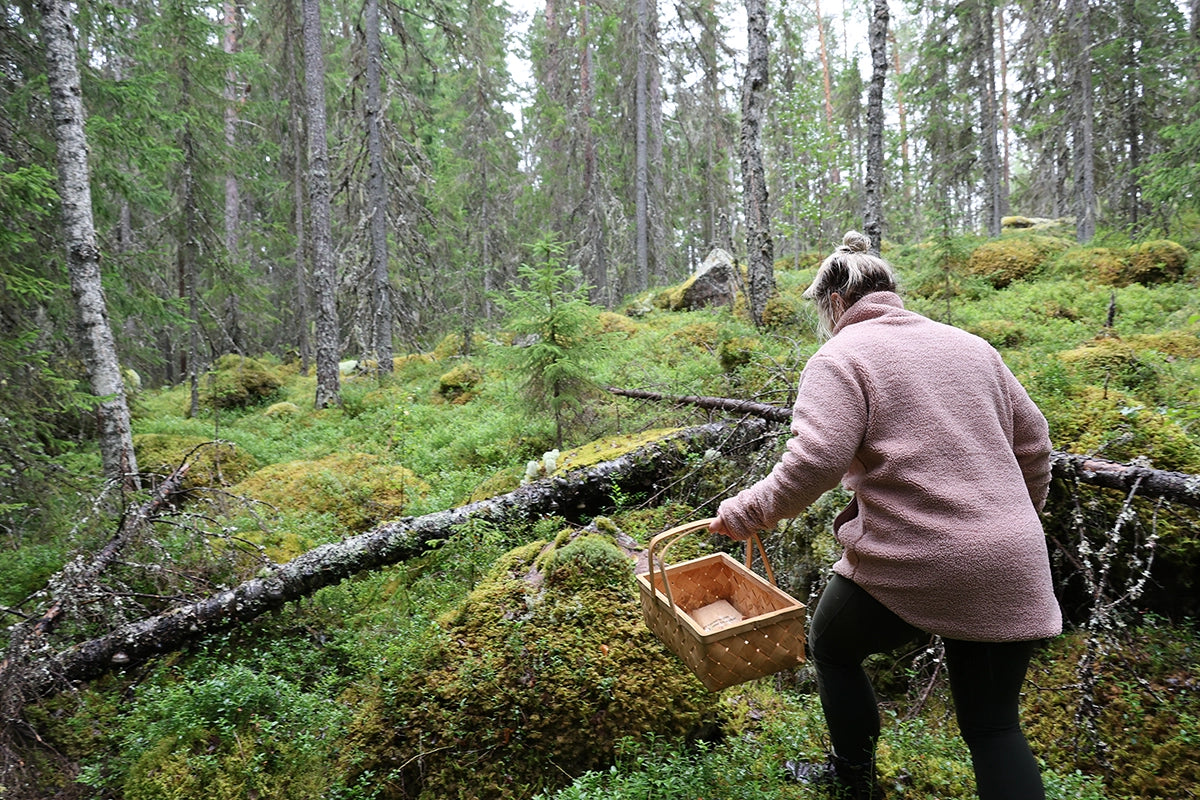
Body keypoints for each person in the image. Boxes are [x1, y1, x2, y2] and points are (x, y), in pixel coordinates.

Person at [709, 231, 1062, 800]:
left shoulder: (841, 357)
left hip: (918, 558)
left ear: (832, 304)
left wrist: (746, 512)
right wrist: (1014, 524)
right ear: (889, 291)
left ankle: (853, 777)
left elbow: (816, 460)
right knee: (994, 727)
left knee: (830, 643)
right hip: (1014, 556)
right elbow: (1037, 444)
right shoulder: (972, 347)